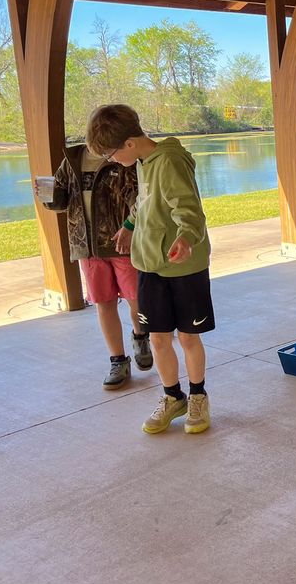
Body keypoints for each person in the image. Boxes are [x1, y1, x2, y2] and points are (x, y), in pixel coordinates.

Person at [86, 104, 215, 435]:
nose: (111, 160)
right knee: (158, 338)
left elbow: (188, 208)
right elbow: (147, 201)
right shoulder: (143, 162)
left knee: (187, 336)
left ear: (129, 143)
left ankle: (198, 396)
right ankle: (173, 397)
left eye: (111, 153)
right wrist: (130, 223)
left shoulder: (169, 161)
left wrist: (186, 238)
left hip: (182, 265)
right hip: (150, 264)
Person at [36, 143, 151, 390]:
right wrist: (47, 194)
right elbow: (61, 201)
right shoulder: (73, 159)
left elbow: (140, 198)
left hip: (121, 244)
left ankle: (141, 336)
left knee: (137, 299)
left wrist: (132, 228)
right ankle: (118, 360)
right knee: (104, 303)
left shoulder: (123, 157)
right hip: (87, 247)